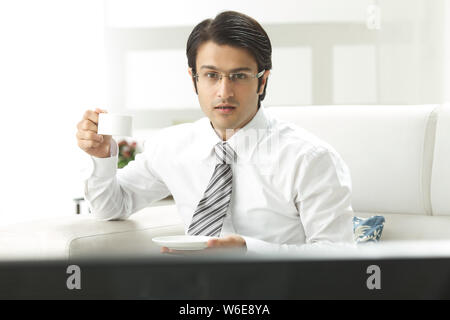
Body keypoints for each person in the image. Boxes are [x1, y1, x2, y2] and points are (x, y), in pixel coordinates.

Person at [76, 11, 354, 254]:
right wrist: (102, 157)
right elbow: (111, 206)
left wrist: (249, 251)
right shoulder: (172, 147)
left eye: (239, 76)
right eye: (211, 75)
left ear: (262, 80)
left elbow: (339, 256)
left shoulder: (310, 159)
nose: (224, 92)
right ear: (194, 78)